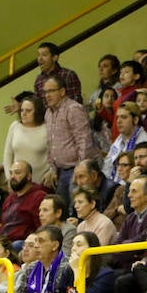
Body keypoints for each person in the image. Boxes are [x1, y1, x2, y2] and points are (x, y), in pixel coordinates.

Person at [42, 75, 99, 205]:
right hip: (61, 171)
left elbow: (84, 141)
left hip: (76, 169)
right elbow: (51, 143)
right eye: (45, 92)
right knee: (62, 210)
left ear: (62, 92)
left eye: (51, 91)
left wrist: (79, 170)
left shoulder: (74, 109)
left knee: (77, 209)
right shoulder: (48, 113)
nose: (47, 95)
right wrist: (53, 168)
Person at [0, 160, 48, 242]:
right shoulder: (10, 198)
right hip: (4, 240)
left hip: (23, 242)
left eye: (17, 173)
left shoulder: (39, 196)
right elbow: (2, 226)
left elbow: (41, 227)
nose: (12, 177)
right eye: (11, 173)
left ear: (28, 176)